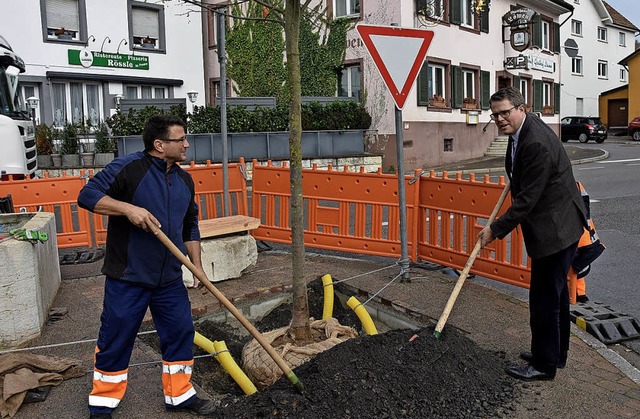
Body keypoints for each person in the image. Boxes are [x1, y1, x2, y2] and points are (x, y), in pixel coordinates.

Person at [77, 115, 215, 418]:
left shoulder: (183, 179)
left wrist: (197, 267)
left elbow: (190, 225)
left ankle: (179, 395)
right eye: (180, 140)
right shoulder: (128, 169)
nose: (187, 145)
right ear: (159, 144)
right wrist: (127, 209)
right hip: (129, 276)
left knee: (180, 332)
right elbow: (86, 196)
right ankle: (102, 404)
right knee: (116, 336)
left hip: (168, 279)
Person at [478, 87, 588, 382]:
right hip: (560, 223)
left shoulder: (535, 142)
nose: (500, 119)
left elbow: (528, 200)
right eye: (495, 114)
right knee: (557, 295)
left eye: (505, 112)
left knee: (543, 300)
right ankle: (556, 354)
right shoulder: (523, 131)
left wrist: (495, 230)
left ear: (521, 108)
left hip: (556, 229)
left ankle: (543, 365)